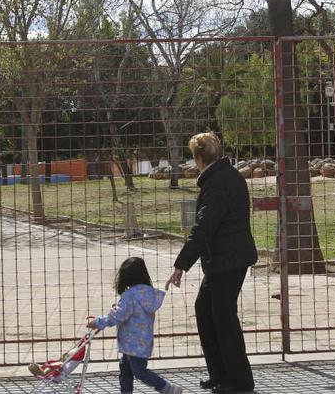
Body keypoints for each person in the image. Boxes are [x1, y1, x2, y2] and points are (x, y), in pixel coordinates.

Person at [165, 133, 258, 394]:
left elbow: (204, 226)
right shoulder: (224, 177)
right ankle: (220, 374)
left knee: (223, 316)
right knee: (205, 310)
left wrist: (181, 264)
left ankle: (239, 381)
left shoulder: (217, 183)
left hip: (228, 260)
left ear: (198, 158)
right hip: (224, 259)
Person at [89, 257, 183, 394]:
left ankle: (167, 388)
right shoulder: (148, 293)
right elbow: (133, 311)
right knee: (126, 369)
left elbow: (116, 316)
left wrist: (98, 322)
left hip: (131, 342)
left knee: (139, 372)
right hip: (143, 342)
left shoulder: (129, 296)